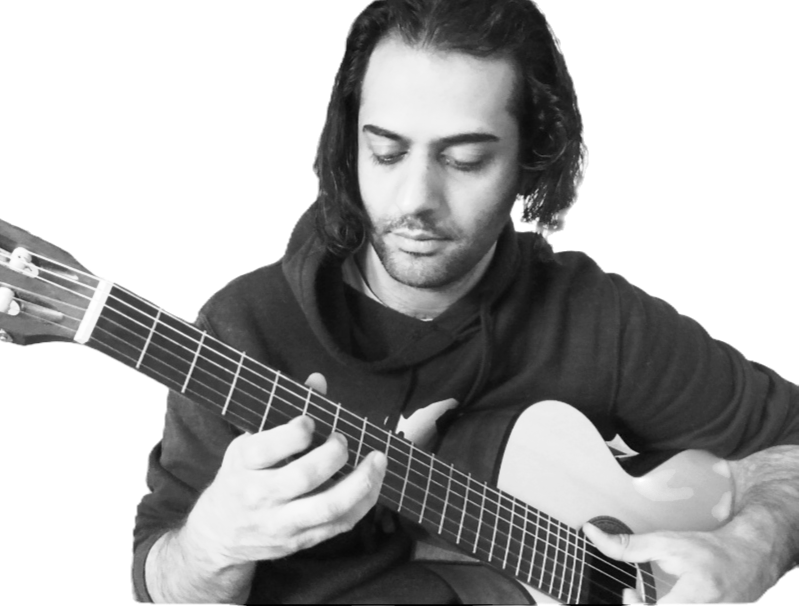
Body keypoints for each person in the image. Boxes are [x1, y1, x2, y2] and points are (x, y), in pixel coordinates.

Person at [131, 0, 798, 603]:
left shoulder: (592, 315)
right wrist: (212, 545)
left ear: (530, 158)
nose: (415, 199)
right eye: (385, 152)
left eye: (465, 160)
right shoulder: (242, 326)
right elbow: (162, 579)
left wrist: (754, 547)